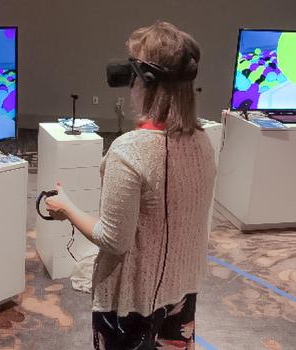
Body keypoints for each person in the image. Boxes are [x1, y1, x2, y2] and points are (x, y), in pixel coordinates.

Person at [45, 21, 216, 349]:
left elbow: (113, 239)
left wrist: (66, 206)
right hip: (181, 291)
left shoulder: (130, 151)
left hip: (131, 305)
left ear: (144, 82)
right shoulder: (202, 141)